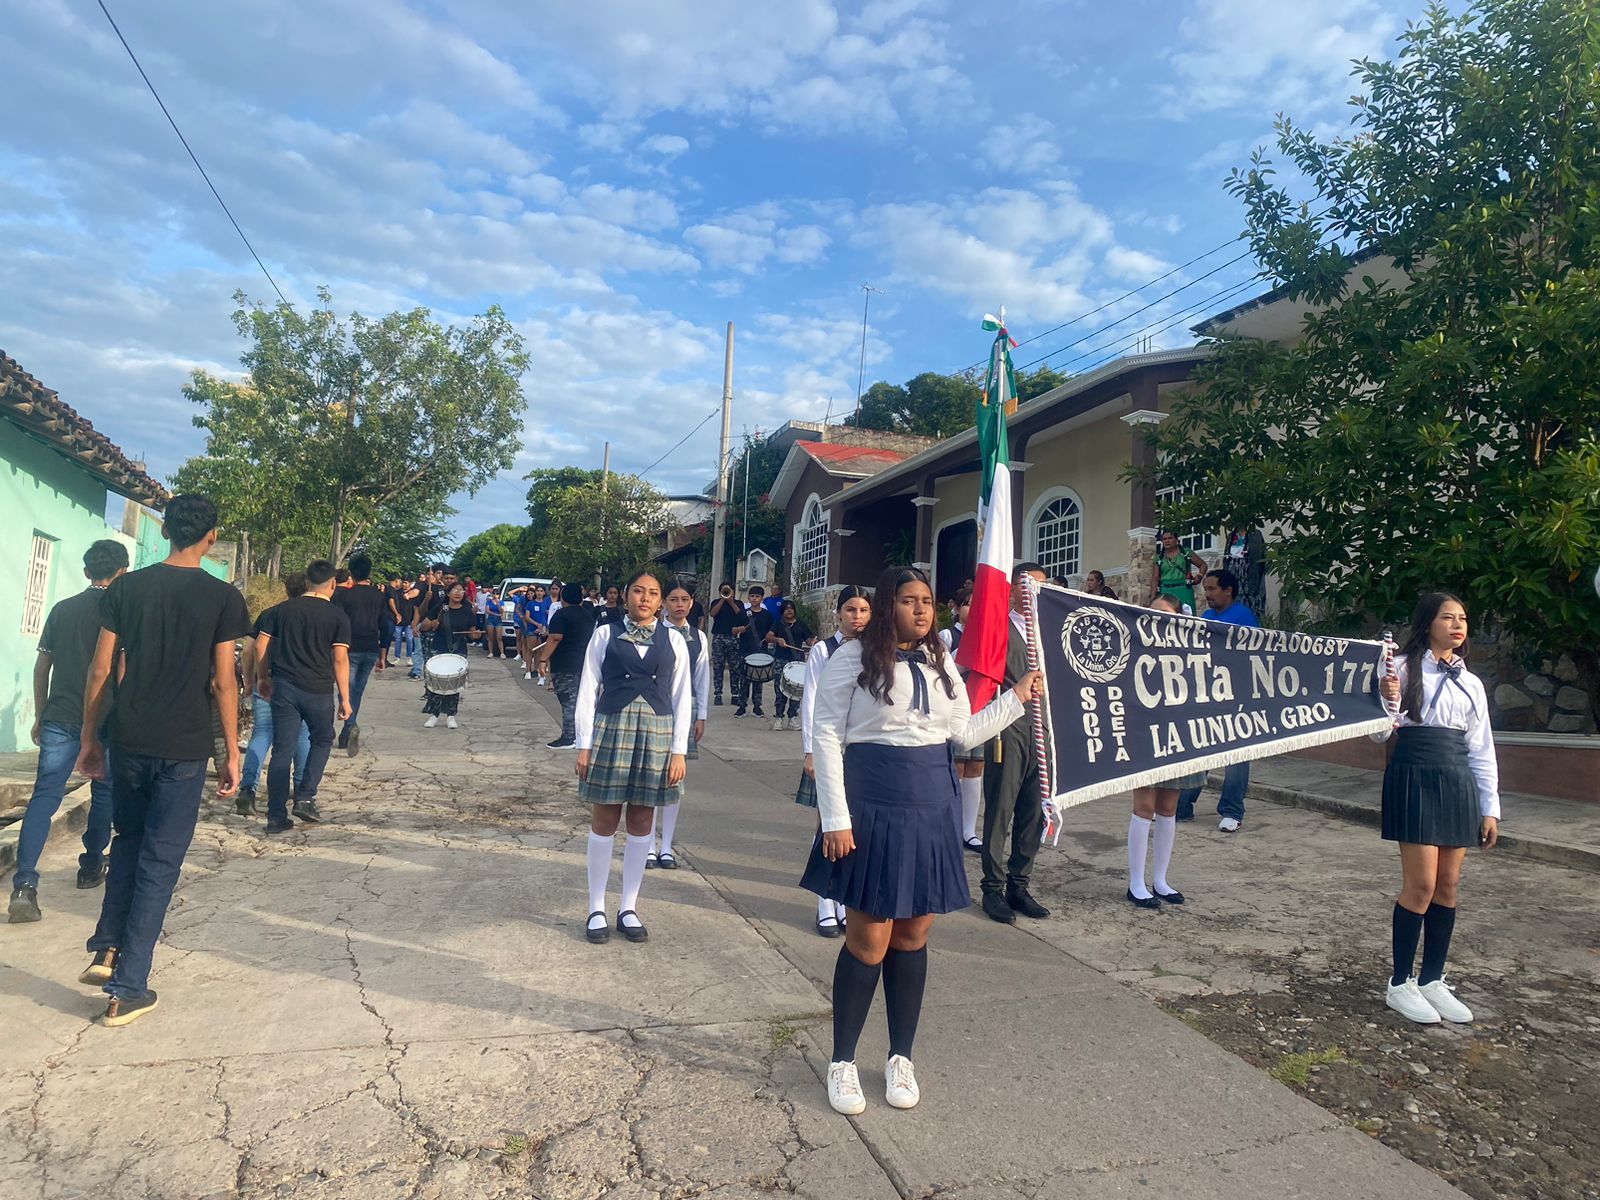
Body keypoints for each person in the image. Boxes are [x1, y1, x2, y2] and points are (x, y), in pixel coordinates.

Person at [800, 566, 1042, 1114]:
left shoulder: (941, 663)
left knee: (912, 937)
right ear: (888, 605)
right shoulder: (853, 657)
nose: (921, 610)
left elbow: (963, 733)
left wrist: (1017, 698)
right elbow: (827, 733)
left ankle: (899, 1056)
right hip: (872, 805)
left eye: (928, 601)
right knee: (869, 941)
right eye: (909, 600)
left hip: (933, 807)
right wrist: (834, 817)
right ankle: (841, 1062)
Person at [74, 494, 252, 1026]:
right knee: (161, 859)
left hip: (129, 737)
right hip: (184, 747)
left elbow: (101, 669)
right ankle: (128, 988)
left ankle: (108, 946)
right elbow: (225, 680)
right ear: (211, 537)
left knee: (127, 841)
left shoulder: (127, 587)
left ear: (169, 530)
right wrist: (231, 751)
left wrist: (90, 736)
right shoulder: (222, 597)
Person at [1374, 592, 1498, 1026]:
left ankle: (1431, 980)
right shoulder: (1400, 668)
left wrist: (1490, 807)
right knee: (1421, 885)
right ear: (1428, 622)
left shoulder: (1472, 682)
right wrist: (1388, 702)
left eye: (1463, 617)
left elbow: (1482, 747)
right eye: (1448, 617)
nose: (1457, 624)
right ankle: (1400, 983)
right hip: (1414, 774)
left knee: (1448, 884)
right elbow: (1376, 734)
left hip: (1457, 779)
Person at [7, 540, 128, 923]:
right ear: (122, 571)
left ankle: (24, 884)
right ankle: (92, 864)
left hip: (60, 716)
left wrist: (40, 714)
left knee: (45, 796)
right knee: (104, 791)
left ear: (86, 570)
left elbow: (42, 667)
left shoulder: (62, 610)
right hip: (106, 717)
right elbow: (120, 670)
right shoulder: (123, 611)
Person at [575, 571, 691, 944]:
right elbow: (588, 687)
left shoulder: (674, 639)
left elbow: (682, 696)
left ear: (660, 602)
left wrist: (679, 751)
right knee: (605, 817)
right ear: (626, 597)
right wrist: (584, 743)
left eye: (653, 593)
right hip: (611, 728)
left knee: (642, 820)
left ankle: (628, 906)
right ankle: (596, 907)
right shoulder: (605, 633)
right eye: (638, 591)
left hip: (657, 733)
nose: (645, 597)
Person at [979, 562, 1053, 925]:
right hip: (1008, 727)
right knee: (1001, 810)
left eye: (1041, 587)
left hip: (1047, 731)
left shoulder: (1051, 632)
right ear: (1014, 591)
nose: (1034, 594)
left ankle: (1019, 883)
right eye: (1028, 587)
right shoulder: (999, 628)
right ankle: (992, 886)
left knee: (1035, 811)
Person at [796, 585, 871, 936]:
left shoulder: (874, 651)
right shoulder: (823, 651)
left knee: (853, 825)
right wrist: (810, 750)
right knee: (827, 822)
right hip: (829, 746)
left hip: (860, 749)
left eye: (864, 611)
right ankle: (825, 902)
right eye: (851, 610)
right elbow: (811, 700)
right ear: (839, 613)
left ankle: (843, 900)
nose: (858, 617)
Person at [255, 560, 352, 831]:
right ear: (333, 584)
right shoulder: (337, 616)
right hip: (319, 691)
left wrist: (263, 677)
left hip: (284, 688)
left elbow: (261, 645)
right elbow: (340, 659)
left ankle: (275, 816)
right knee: (323, 738)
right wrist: (345, 698)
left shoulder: (280, 611)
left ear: (307, 582)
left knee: (282, 750)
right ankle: (305, 796)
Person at [1126, 593, 1198, 909]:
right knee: (1144, 806)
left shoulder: (1189, 648)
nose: (1156, 617)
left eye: (1163, 613)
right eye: (1152, 612)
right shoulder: (1136, 646)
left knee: (1168, 807)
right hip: (1145, 733)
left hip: (1178, 734)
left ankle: (1161, 880)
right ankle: (1136, 883)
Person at [1175, 569, 1260, 832]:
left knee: (1236, 757)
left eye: (1212, 589)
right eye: (1206, 589)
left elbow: (1249, 653)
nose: (1206, 594)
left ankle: (1232, 811)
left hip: (1237, 697)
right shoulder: (1207, 616)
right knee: (1200, 751)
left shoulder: (1245, 617)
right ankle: (1182, 807)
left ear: (1228, 591)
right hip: (1208, 694)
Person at [238, 572, 312, 817]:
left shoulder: (270, 614)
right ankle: (302, 792)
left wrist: (252, 680)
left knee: (262, 734)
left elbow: (249, 650)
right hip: (302, 685)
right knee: (302, 736)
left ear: (286, 589)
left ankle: (247, 790)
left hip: (268, 682)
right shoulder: (316, 616)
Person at [650, 583, 709, 869]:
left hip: (686, 709)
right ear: (664, 604)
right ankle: (648, 844)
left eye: (684, 599)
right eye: (673, 599)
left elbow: (702, 677)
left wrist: (702, 715)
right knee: (650, 776)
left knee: (675, 777)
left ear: (692, 602)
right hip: (655, 707)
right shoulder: (655, 633)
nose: (679, 604)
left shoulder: (698, 636)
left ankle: (666, 847)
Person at [939, 587, 984, 853]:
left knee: (976, 766)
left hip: (979, 706)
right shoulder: (948, 635)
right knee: (956, 768)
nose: (972, 609)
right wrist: (964, 658)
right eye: (968, 604)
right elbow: (941, 668)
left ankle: (969, 830)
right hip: (955, 708)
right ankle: (950, 826)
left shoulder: (984, 635)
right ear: (957, 608)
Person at [332, 553, 387, 756]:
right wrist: (383, 655)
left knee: (345, 689)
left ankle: (349, 726)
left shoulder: (343, 596)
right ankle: (348, 730)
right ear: (369, 572)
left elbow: (336, 622)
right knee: (357, 691)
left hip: (348, 648)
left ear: (351, 573)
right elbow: (386, 625)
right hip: (371, 648)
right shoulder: (379, 596)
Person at [541, 582, 595, 749]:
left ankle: (569, 737)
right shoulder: (588, 615)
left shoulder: (561, 615)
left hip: (565, 664)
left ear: (563, 596)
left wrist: (543, 660)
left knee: (568, 701)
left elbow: (555, 638)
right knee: (581, 701)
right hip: (584, 663)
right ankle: (582, 735)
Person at [422, 582, 476, 729]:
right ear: (448, 593)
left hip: (458, 651)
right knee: (436, 683)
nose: (458, 593)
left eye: (461, 590)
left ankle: (451, 715)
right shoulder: (439, 609)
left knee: (454, 684)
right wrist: (432, 623)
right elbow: (423, 626)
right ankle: (434, 714)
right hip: (440, 648)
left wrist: (475, 635)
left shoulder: (467, 611)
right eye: (455, 590)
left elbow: (472, 633)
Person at [765, 598, 814, 730]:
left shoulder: (801, 625)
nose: (789, 610)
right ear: (783, 611)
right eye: (786, 608)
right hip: (781, 660)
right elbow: (768, 637)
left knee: (796, 691)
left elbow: (809, 640)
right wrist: (777, 639)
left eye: (791, 608)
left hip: (797, 661)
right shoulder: (778, 624)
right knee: (780, 689)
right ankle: (778, 718)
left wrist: (814, 643)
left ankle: (792, 718)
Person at [735, 585, 773, 719]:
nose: (754, 598)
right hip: (745, 650)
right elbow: (733, 630)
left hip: (760, 651)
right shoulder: (742, 614)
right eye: (752, 596)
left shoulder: (767, 615)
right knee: (744, 680)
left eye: (757, 596)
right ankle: (741, 707)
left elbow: (771, 631)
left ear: (762, 598)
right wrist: (738, 629)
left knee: (758, 680)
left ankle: (757, 707)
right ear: (748, 598)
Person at [1149, 529, 1206, 613]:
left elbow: (1203, 565)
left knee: (1185, 615)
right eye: (1164, 539)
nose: (1167, 541)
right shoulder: (1159, 557)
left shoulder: (1185, 552)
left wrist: (1200, 576)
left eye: (1170, 538)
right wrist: (1152, 598)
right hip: (1165, 590)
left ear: (1176, 540)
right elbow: (1155, 578)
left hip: (1183, 589)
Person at [708, 581, 744, 707]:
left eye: (728, 590)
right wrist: (723, 600)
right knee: (718, 666)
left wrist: (731, 601)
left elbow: (741, 616)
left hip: (733, 638)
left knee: (735, 667)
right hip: (719, 637)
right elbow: (712, 614)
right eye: (723, 590)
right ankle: (718, 694)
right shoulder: (716, 603)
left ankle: (735, 695)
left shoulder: (738, 603)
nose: (726, 593)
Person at [1225, 526, 1268, 616]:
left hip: (1250, 574)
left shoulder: (1255, 534)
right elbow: (1226, 559)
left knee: (1251, 605)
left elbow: (1262, 556)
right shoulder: (1231, 536)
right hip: (1233, 574)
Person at [390, 573, 417, 666]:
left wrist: (414, 620)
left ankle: (409, 658)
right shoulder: (397, 593)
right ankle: (397, 657)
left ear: (410, 583)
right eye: (403, 582)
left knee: (409, 639)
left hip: (409, 621)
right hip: (398, 621)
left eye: (406, 583)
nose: (404, 584)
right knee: (397, 639)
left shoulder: (414, 593)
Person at [483, 588, 505, 659]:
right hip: (491, 620)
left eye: (497, 594)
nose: (496, 595)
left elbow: (502, 611)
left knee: (499, 637)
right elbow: (487, 610)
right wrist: (495, 614)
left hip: (498, 621)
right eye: (494, 594)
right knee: (491, 637)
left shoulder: (501, 602)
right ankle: (490, 652)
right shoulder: (489, 601)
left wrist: (498, 604)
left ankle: (502, 653)